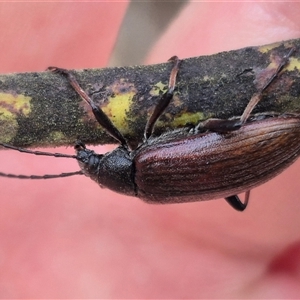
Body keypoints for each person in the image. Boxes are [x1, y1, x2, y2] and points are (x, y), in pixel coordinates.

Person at [1, 2, 300, 298]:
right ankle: (264, 89)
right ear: (112, 165)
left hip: (257, 162)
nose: (89, 156)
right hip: (256, 144)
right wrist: (171, 72)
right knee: (221, 126)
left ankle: (253, 121)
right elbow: (152, 97)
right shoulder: (147, 162)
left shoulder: (151, 191)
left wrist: (244, 176)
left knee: (237, 192)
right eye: (96, 162)